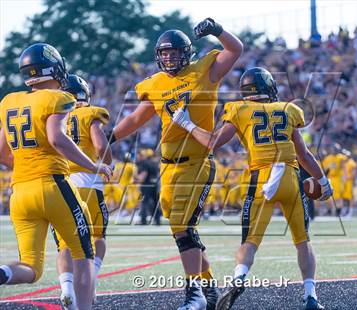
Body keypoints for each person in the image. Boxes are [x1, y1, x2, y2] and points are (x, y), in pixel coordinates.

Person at [107, 18, 243, 310]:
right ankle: (208, 291)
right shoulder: (156, 83)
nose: (168, 57)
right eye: (164, 53)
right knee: (182, 230)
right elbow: (135, 119)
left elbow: (236, 49)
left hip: (196, 162)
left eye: (173, 52)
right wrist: (110, 137)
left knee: (183, 226)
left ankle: (194, 295)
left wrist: (217, 30)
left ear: (187, 52)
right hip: (168, 165)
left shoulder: (204, 71)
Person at [172, 67, 332, 310]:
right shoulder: (288, 109)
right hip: (290, 176)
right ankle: (310, 295)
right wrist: (322, 181)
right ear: (269, 88)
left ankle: (239, 277)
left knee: (250, 241)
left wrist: (186, 123)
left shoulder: (239, 109)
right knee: (302, 240)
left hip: (262, 179)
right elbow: (304, 154)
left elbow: (213, 142)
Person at [0, 43, 112, 310]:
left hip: (20, 193)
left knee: (31, 267)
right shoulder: (59, 98)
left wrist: (28, 161)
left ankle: (2, 272)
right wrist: (95, 166)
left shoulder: (9, 101)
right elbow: (56, 138)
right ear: (56, 68)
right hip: (53, 186)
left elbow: (2, 153)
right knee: (84, 254)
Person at [50, 74, 112, 308]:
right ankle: (91, 280)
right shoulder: (90, 113)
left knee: (65, 244)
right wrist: (108, 161)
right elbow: (100, 145)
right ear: (84, 94)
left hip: (62, 184)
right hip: (88, 183)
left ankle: (66, 288)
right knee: (98, 239)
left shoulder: (52, 115)